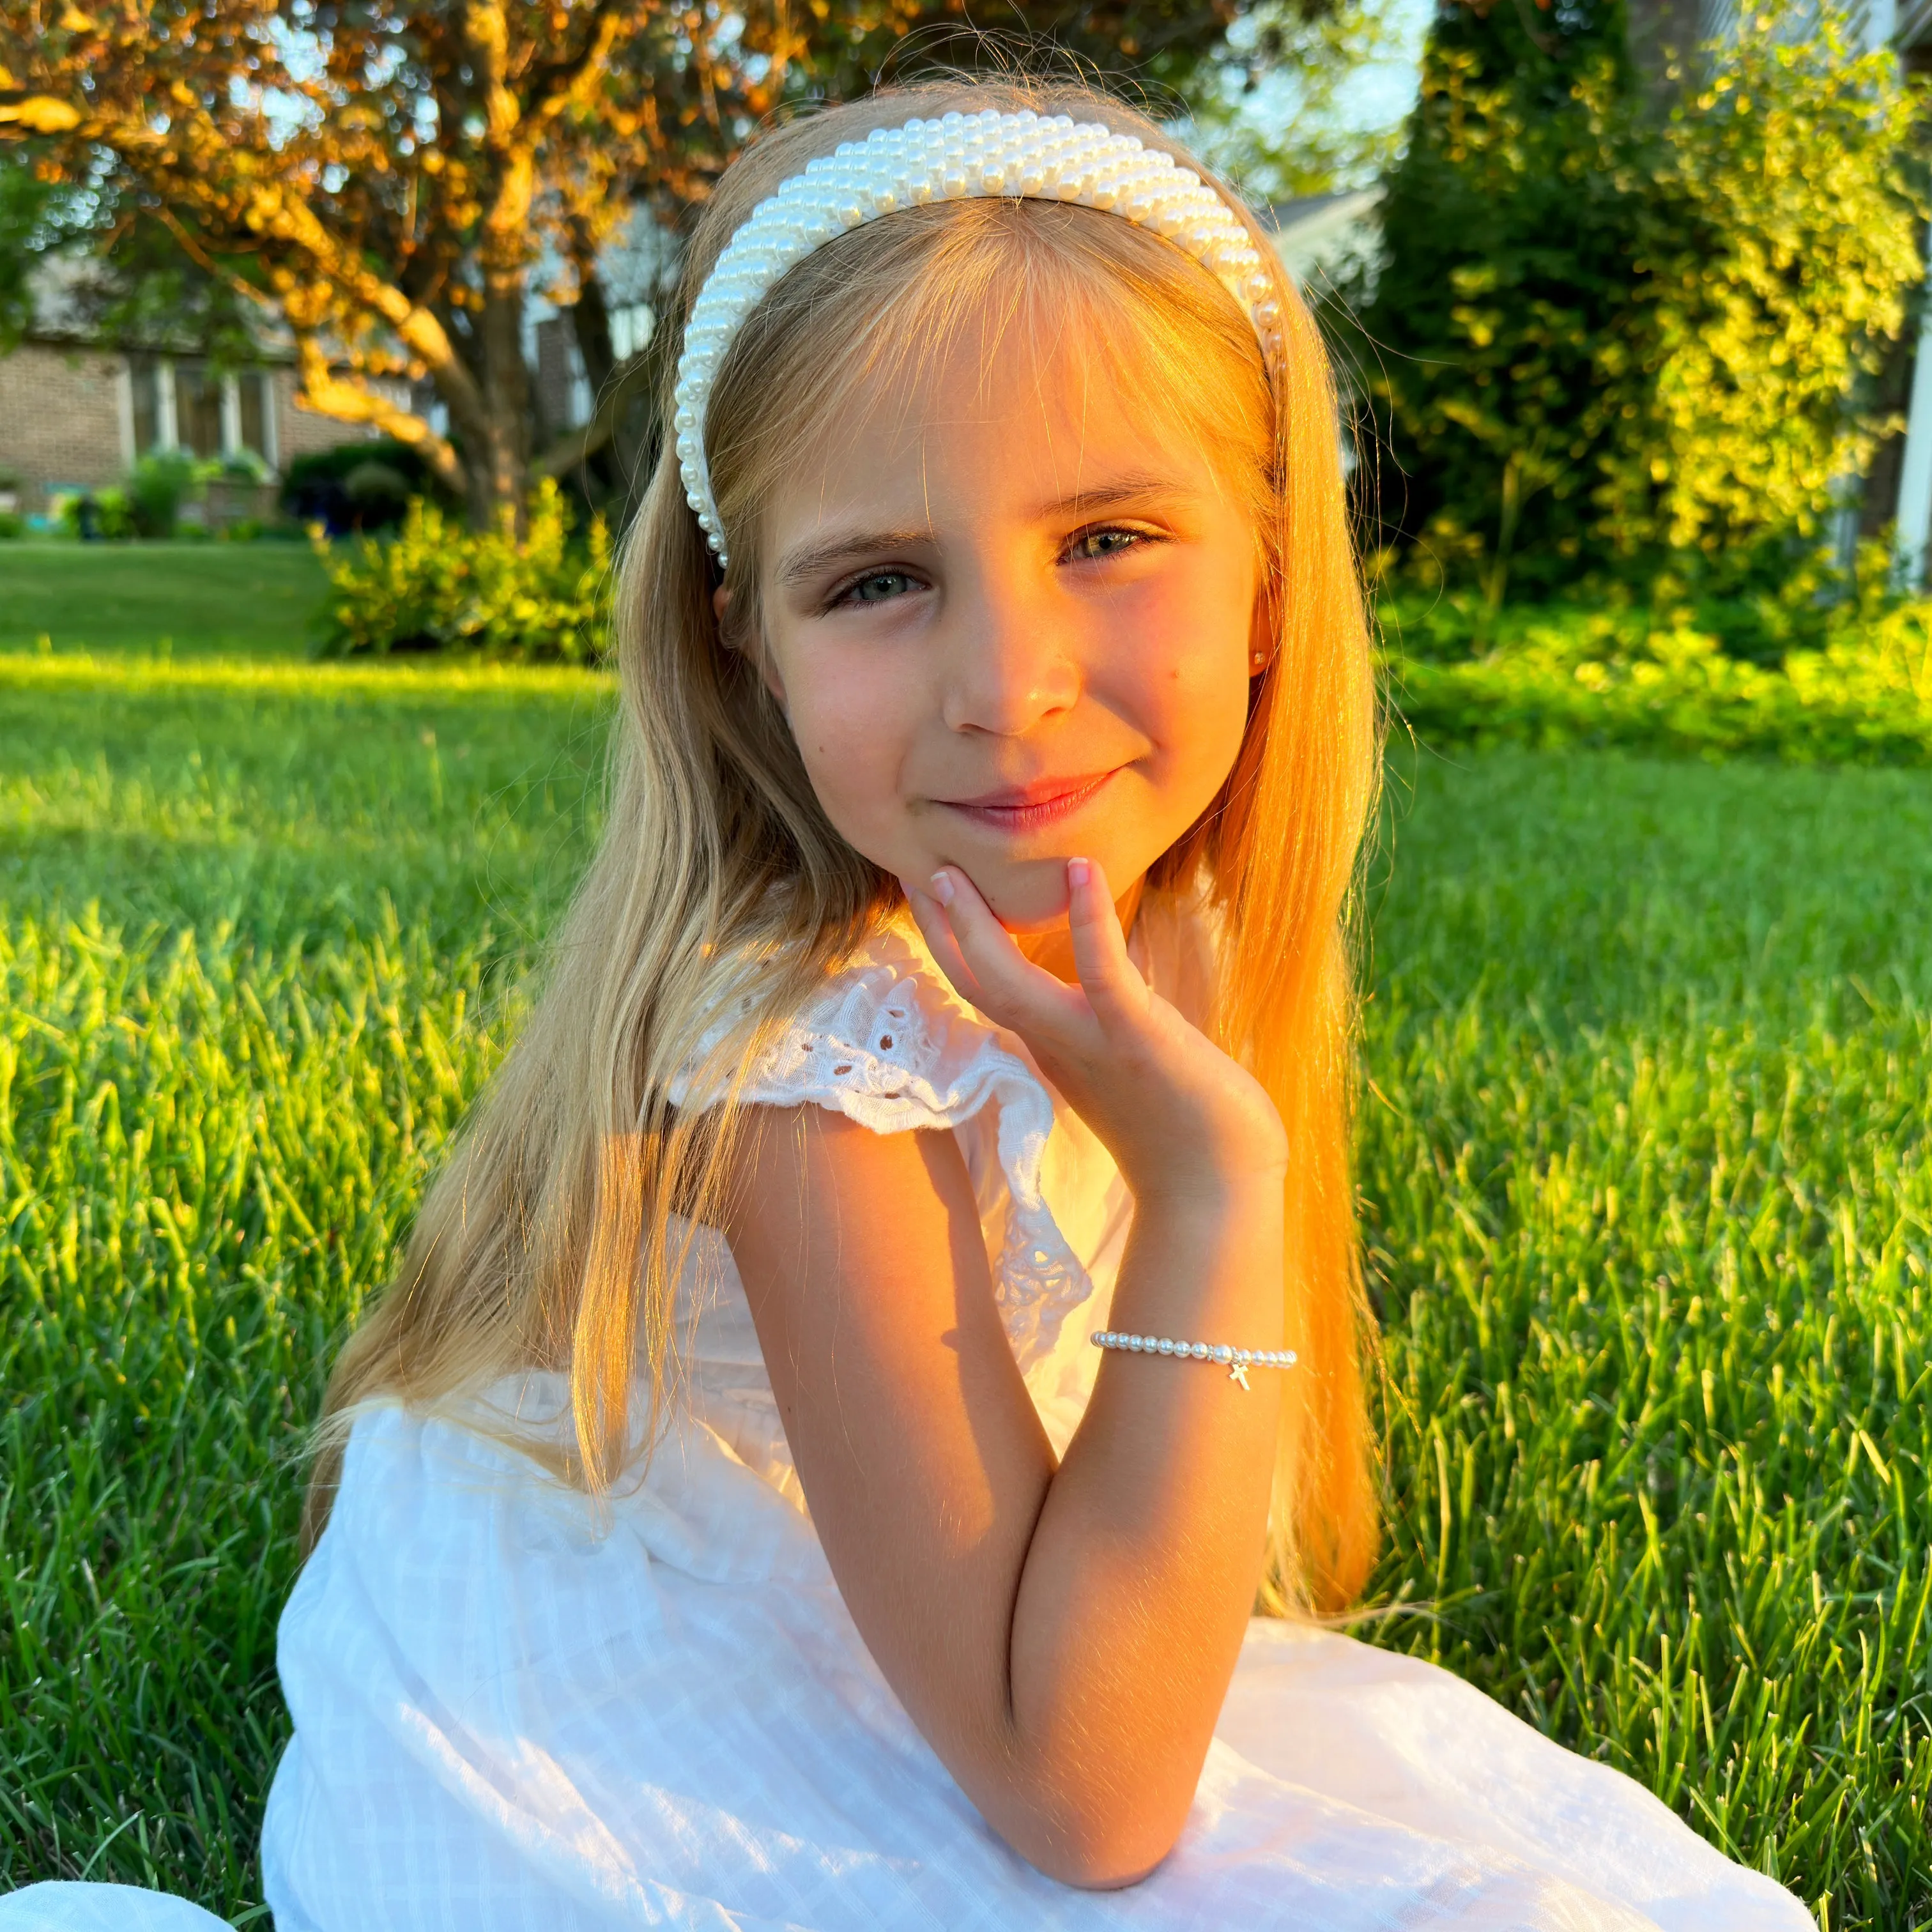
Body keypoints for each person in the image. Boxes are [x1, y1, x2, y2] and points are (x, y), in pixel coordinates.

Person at [1, 75, 1816, 1932]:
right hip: (634, 1696)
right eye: (879, 580)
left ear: (1274, 566)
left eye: (1106, 539)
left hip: (965, 1613)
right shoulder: (807, 1068)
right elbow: (1085, 1797)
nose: (1008, 684)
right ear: (747, 646)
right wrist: (1209, 1188)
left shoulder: (1153, 919)